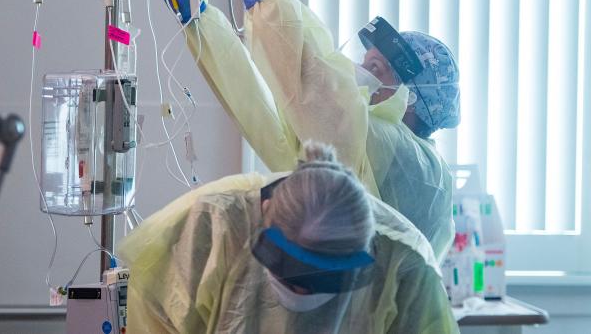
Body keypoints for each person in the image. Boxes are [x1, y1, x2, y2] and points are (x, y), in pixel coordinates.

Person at [144, 0, 460, 261]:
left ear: (411, 98)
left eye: (374, 68)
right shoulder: (350, 149)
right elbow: (262, 117)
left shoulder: (412, 162)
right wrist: (199, 20)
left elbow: (325, 98)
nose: (354, 74)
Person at [118, 141, 458, 333]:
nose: (300, 294)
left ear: (367, 249)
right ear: (265, 212)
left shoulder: (404, 266)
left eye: (323, 281)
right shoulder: (213, 228)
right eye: (290, 270)